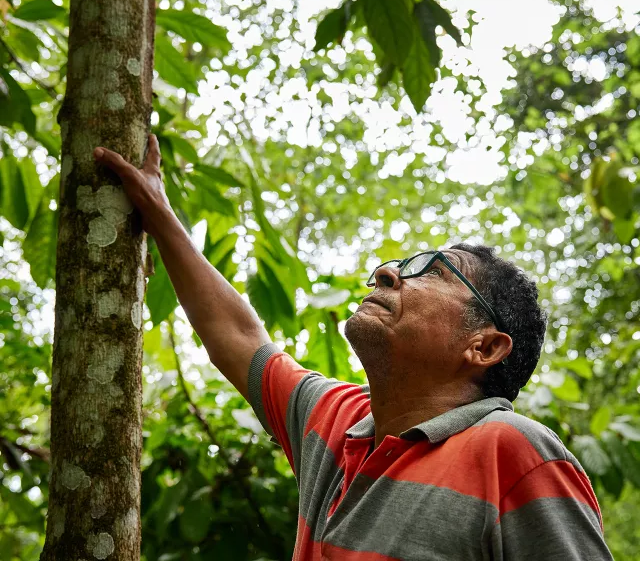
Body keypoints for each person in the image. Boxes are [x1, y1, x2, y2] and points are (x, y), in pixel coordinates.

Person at [93, 134, 613, 560]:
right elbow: (239, 337)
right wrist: (158, 211)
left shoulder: (515, 453)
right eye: (400, 264)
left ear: (484, 347)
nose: (387, 272)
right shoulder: (335, 419)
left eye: (434, 272)